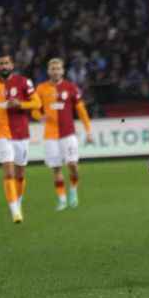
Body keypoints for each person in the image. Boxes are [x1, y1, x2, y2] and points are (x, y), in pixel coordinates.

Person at [0, 53, 41, 223]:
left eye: (6, 63)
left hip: (21, 133)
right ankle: (15, 212)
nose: (4, 66)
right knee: (8, 172)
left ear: (12, 65)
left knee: (20, 174)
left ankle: (18, 202)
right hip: (2, 134)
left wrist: (20, 104)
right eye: (1, 64)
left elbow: (37, 103)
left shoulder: (23, 82)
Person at [32, 58, 93, 211]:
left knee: (72, 165)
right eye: (53, 69)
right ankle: (62, 199)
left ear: (63, 70)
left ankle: (73, 189)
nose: (55, 71)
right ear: (48, 71)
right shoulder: (41, 89)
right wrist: (40, 117)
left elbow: (81, 110)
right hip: (50, 136)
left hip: (68, 134)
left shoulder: (71, 87)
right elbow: (33, 109)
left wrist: (88, 130)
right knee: (56, 168)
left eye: (58, 68)